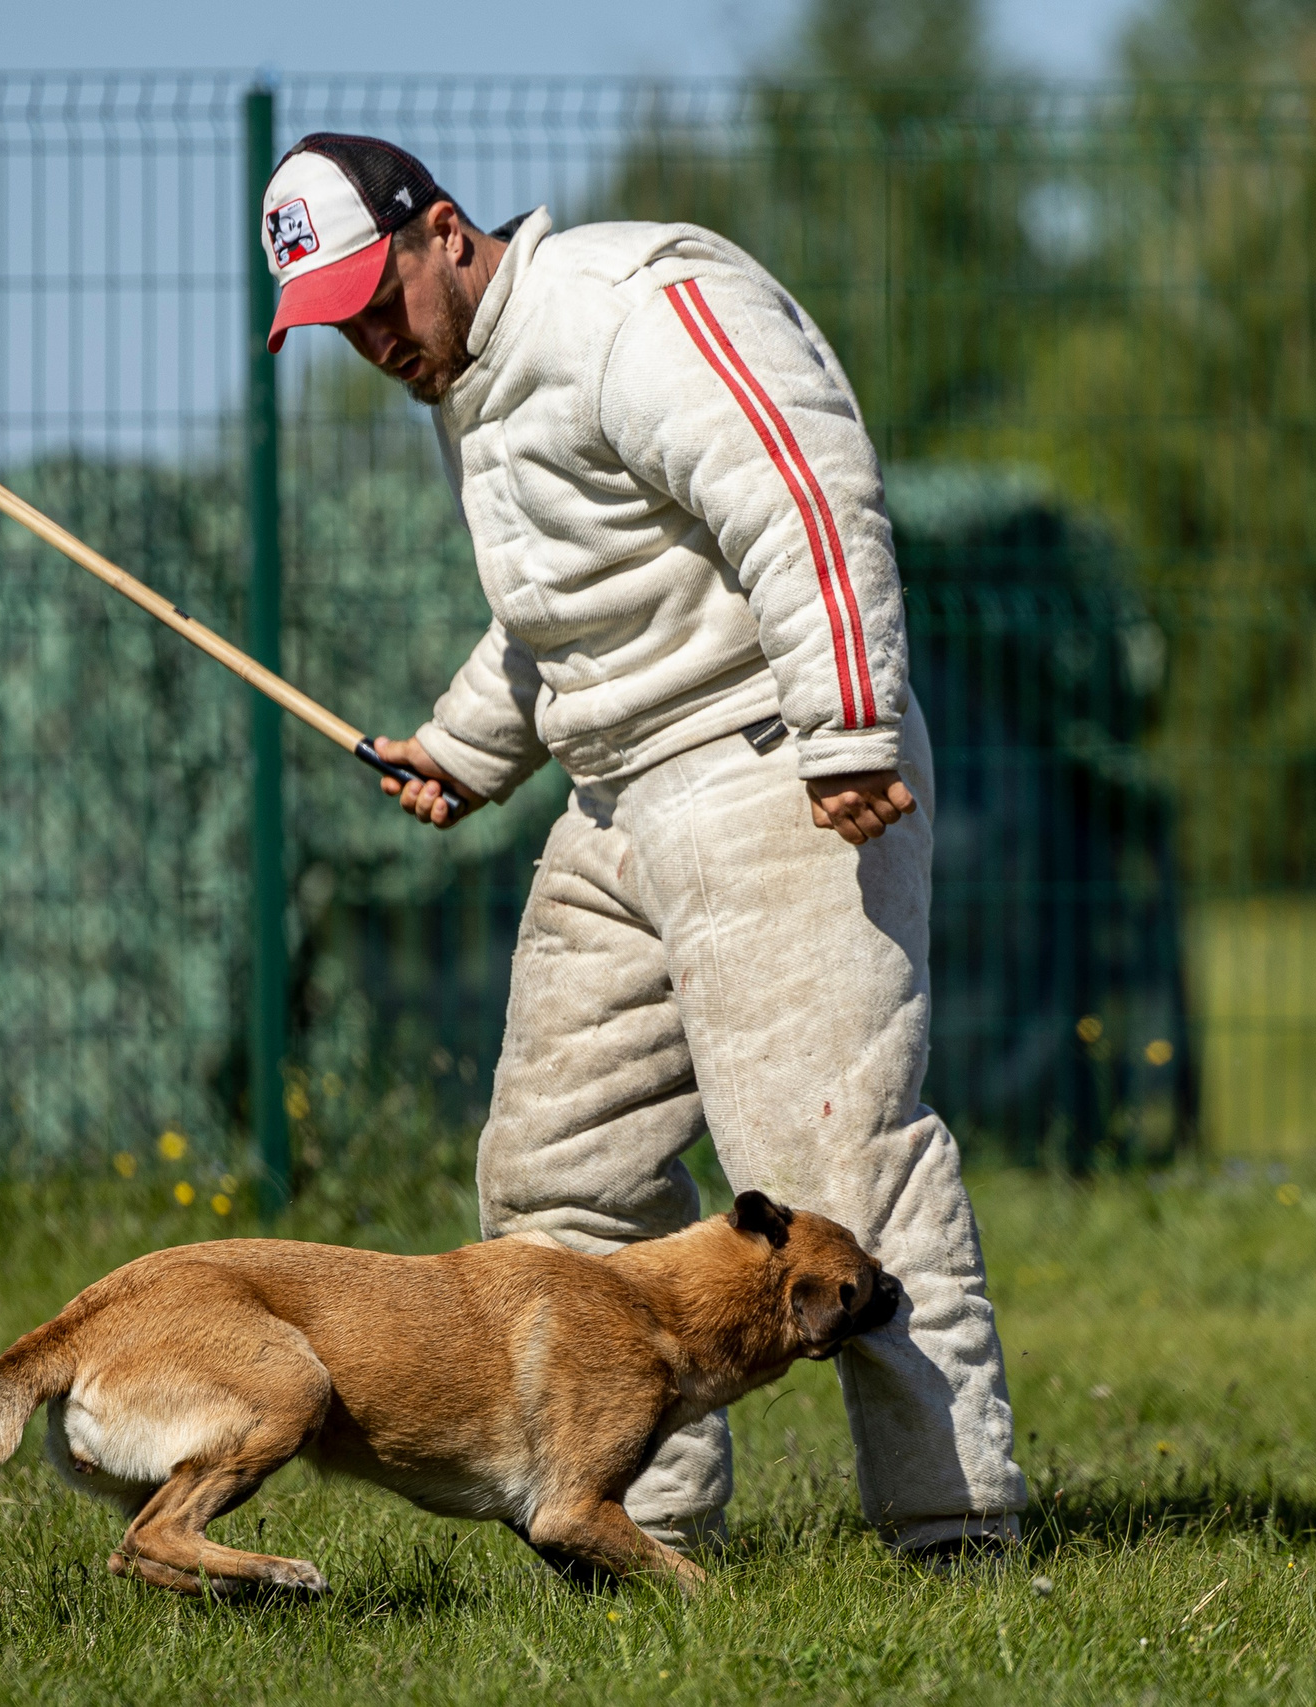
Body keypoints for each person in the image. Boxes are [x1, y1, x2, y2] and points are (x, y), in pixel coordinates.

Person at [258, 134, 1028, 1559]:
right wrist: (465, 747)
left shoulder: (625, 302)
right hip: (615, 802)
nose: (371, 339)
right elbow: (569, 604)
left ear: (442, 230)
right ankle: (636, 1536)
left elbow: (802, 486)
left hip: (766, 769)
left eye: (379, 296)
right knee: (556, 1179)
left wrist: (846, 719)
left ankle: (955, 1534)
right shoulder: (476, 387)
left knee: (839, 1177)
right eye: (338, 325)